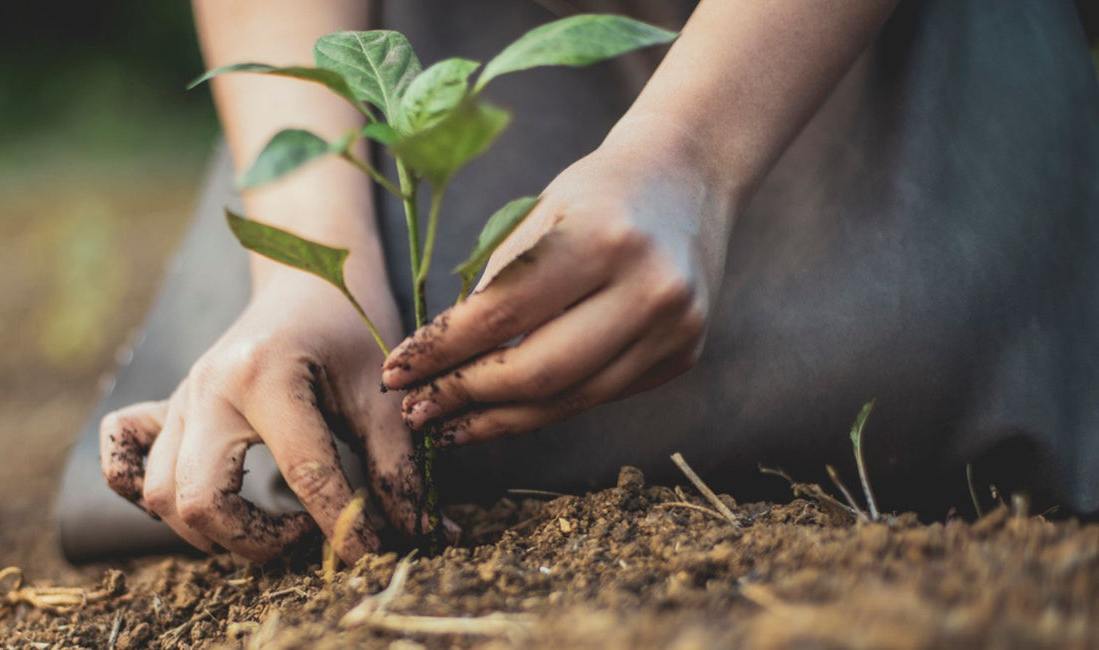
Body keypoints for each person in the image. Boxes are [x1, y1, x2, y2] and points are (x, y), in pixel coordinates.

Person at [55, 0, 1099, 563]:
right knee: (279, 415)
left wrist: (694, 151)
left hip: (808, 43)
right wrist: (307, 259)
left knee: (896, 345)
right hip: (406, 64)